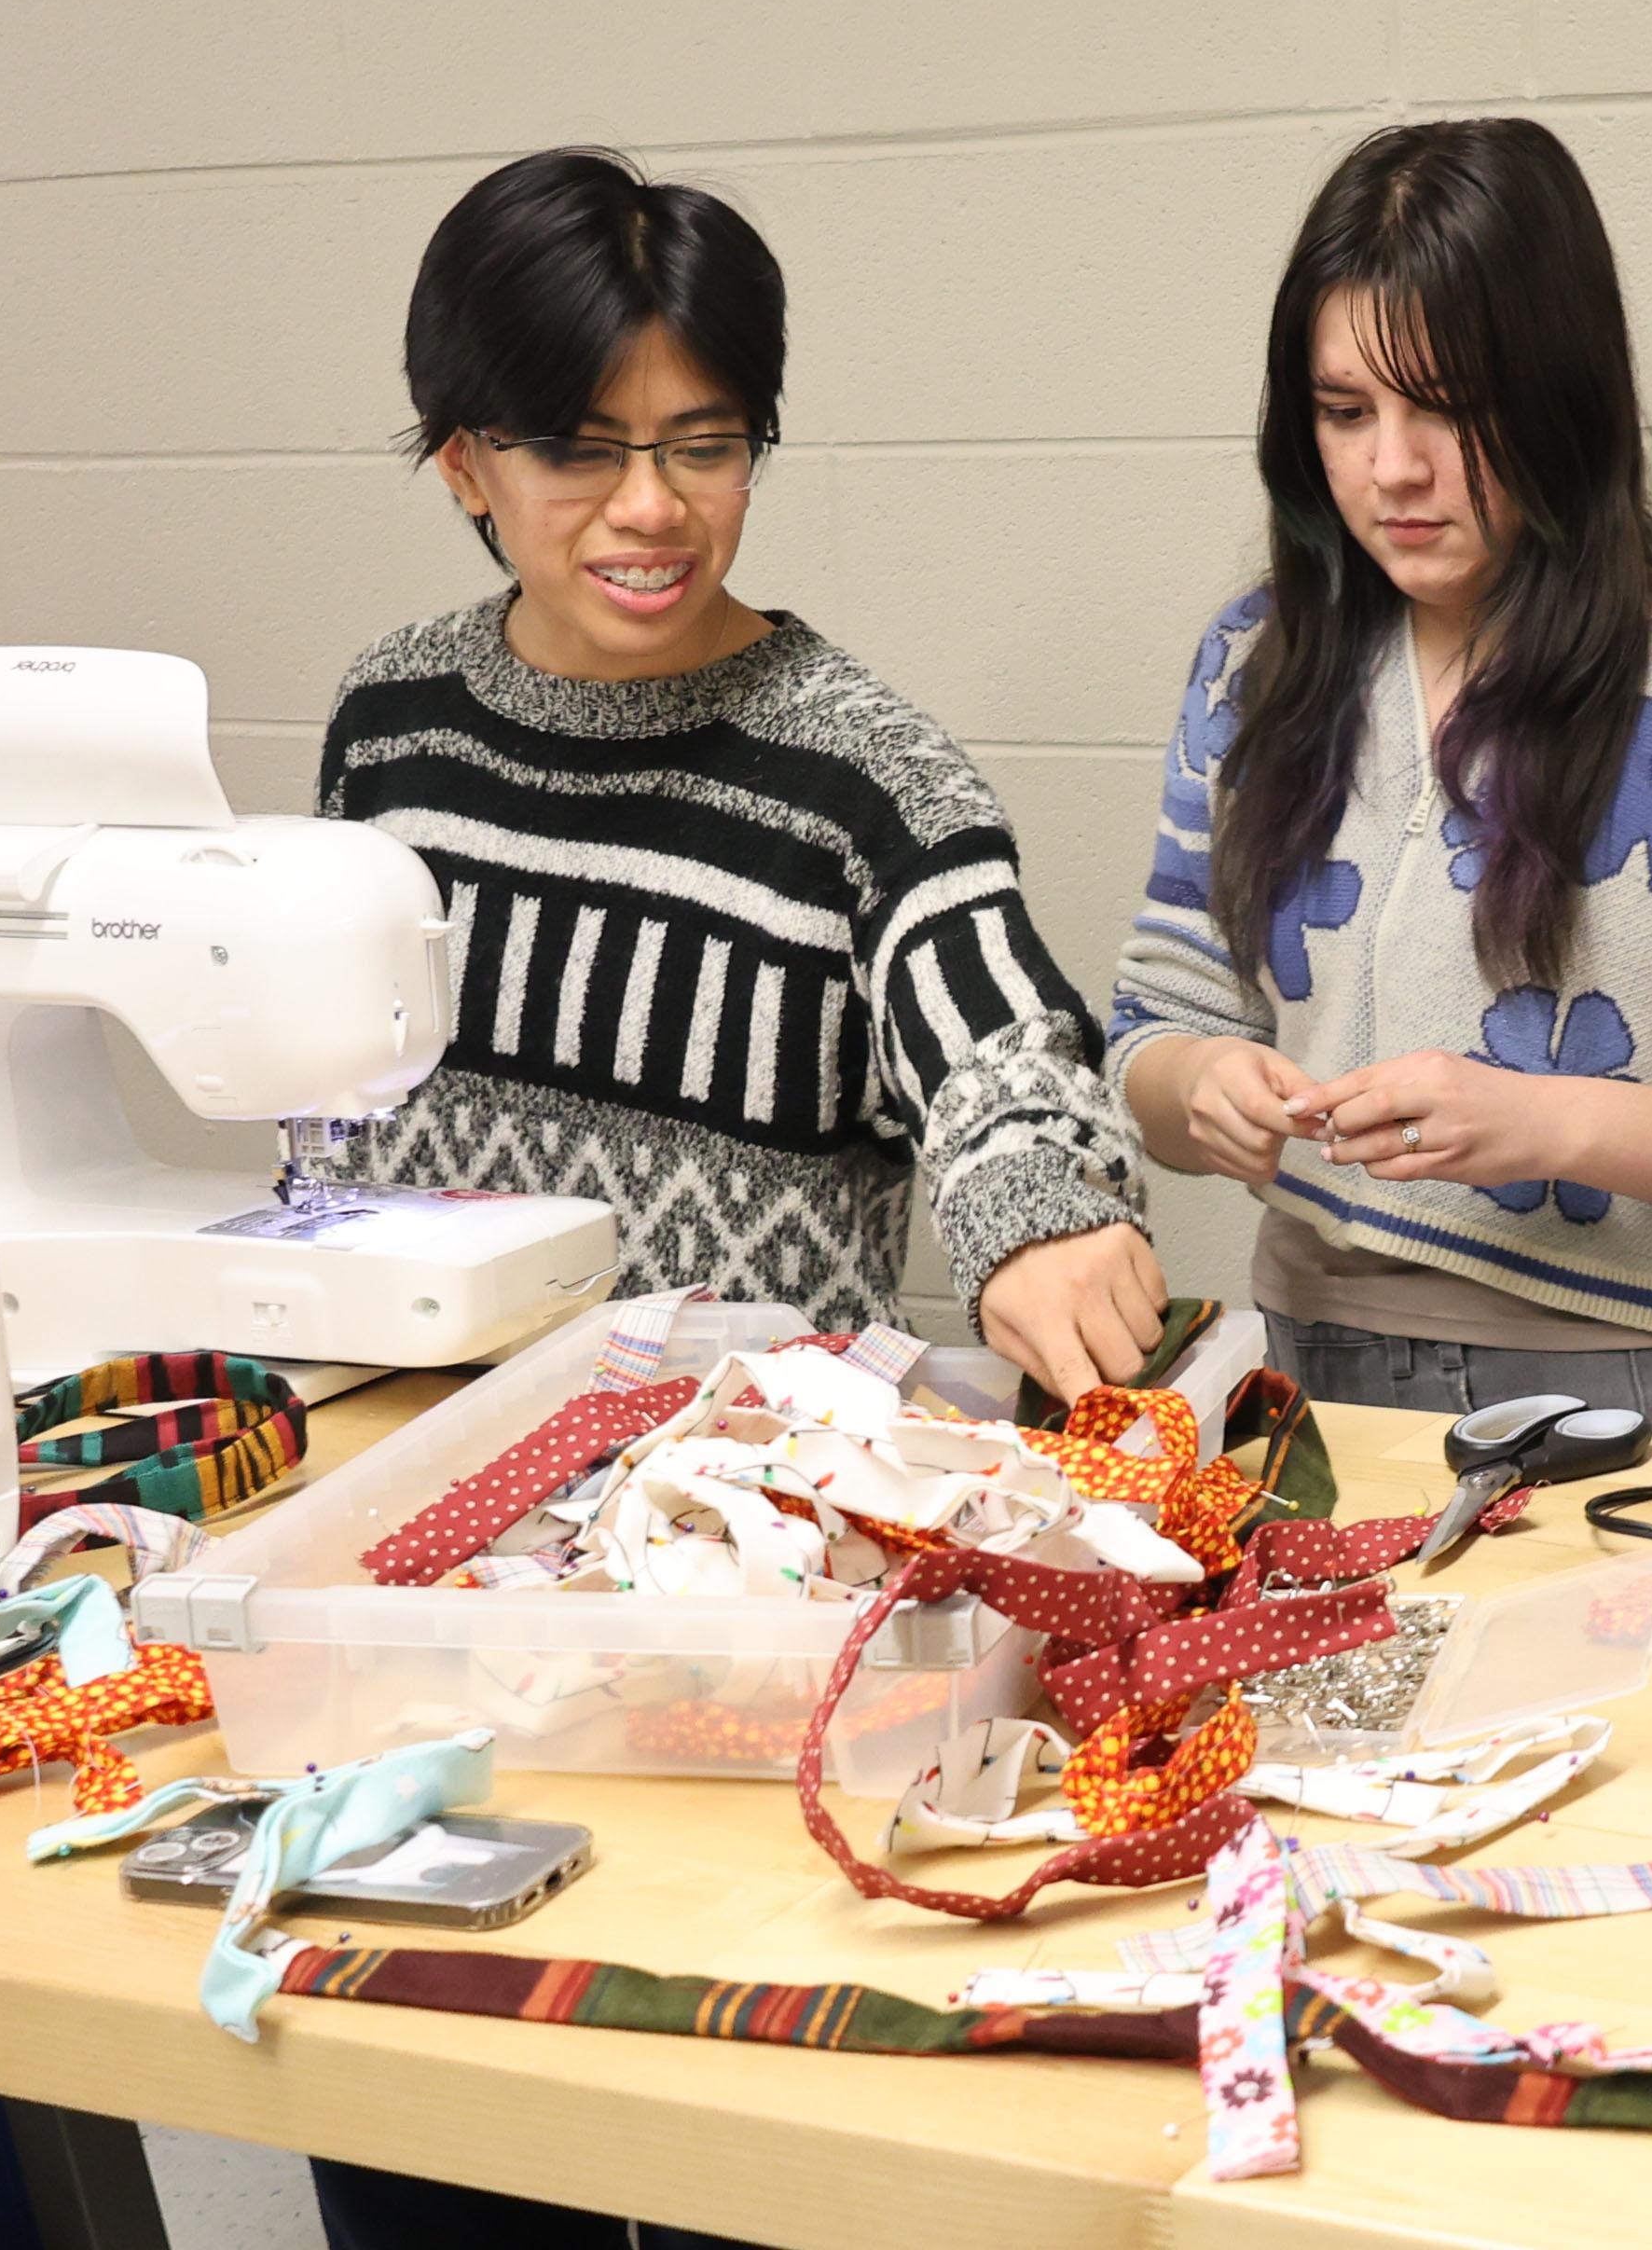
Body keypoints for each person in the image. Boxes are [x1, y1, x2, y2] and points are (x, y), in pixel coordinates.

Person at [307, 145, 1162, 2249]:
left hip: (732, 1638)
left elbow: (999, 1038)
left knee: (718, 2157)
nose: (651, 509)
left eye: (704, 445)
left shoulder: (863, 777)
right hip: (432, 1605)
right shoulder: (386, 736)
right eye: (580, 451)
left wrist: (1042, 1201)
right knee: (424, 2148)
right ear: (459, 459)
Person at [1110, 117, 1652, 1425]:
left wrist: (1540, 1124)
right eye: (1346, 412)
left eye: (1450, 408)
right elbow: (1155, 1024)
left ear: (1561, 395)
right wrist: (1198, 1090)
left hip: (1628, 1382)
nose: (1393, 468)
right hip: (1306, 1356)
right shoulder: (1253, 662)